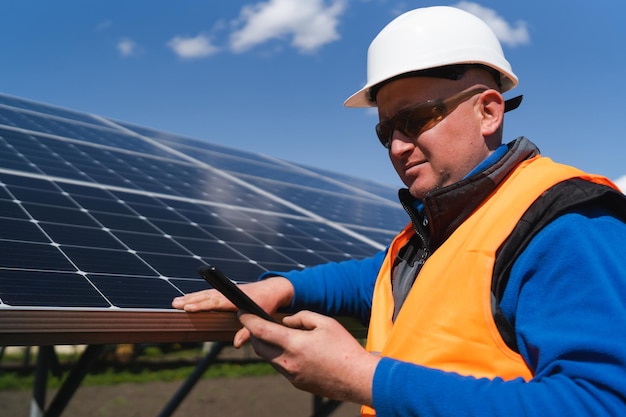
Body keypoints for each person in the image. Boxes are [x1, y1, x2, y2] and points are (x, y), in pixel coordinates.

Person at [173, 6, 626, 416]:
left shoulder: (566, 224)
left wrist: (362, 378)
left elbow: (600, 404)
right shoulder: (446, 228)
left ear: (488, 111)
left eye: (415, 120)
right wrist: (283, 287)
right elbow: (381, 279)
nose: (396, 147)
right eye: (386, 130)